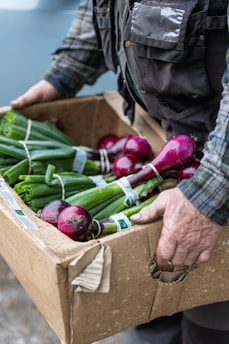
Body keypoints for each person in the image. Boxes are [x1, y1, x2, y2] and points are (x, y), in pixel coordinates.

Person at [10, 0, 229, 343]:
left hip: (216, 171)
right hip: (164, 151)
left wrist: (209, 195)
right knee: (151, 314)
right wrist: (64, 74)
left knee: (210, 322)